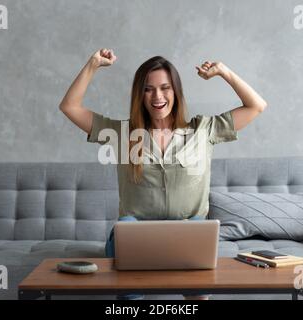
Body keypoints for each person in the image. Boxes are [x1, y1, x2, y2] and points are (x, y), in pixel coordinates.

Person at [59, 48, 267, 300]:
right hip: (136, 240)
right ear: (140, 94)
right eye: (148, 89)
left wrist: (223, 71)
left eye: (165, 87)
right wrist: (93, 63)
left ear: (176, 92)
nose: (157, 96)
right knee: (126, 226)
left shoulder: (203, 130)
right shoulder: (122, 134)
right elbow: (70, 106)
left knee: (200, 227)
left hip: (189, 236)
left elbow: (257, 105)